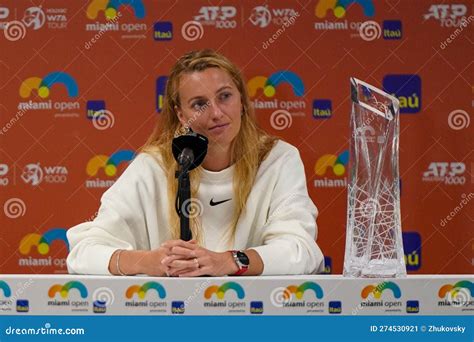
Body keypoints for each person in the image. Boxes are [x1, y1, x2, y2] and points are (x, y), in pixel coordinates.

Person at [66, 49, 324, 277]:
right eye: (199, 104)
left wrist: (229, 261)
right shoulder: (153, 166)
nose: (216, 113)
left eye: (225, 96)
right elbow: (83, 252)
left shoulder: (278, 159)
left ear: (243, 101)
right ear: (181, 115)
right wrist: (149, 262)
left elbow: (302, 250)